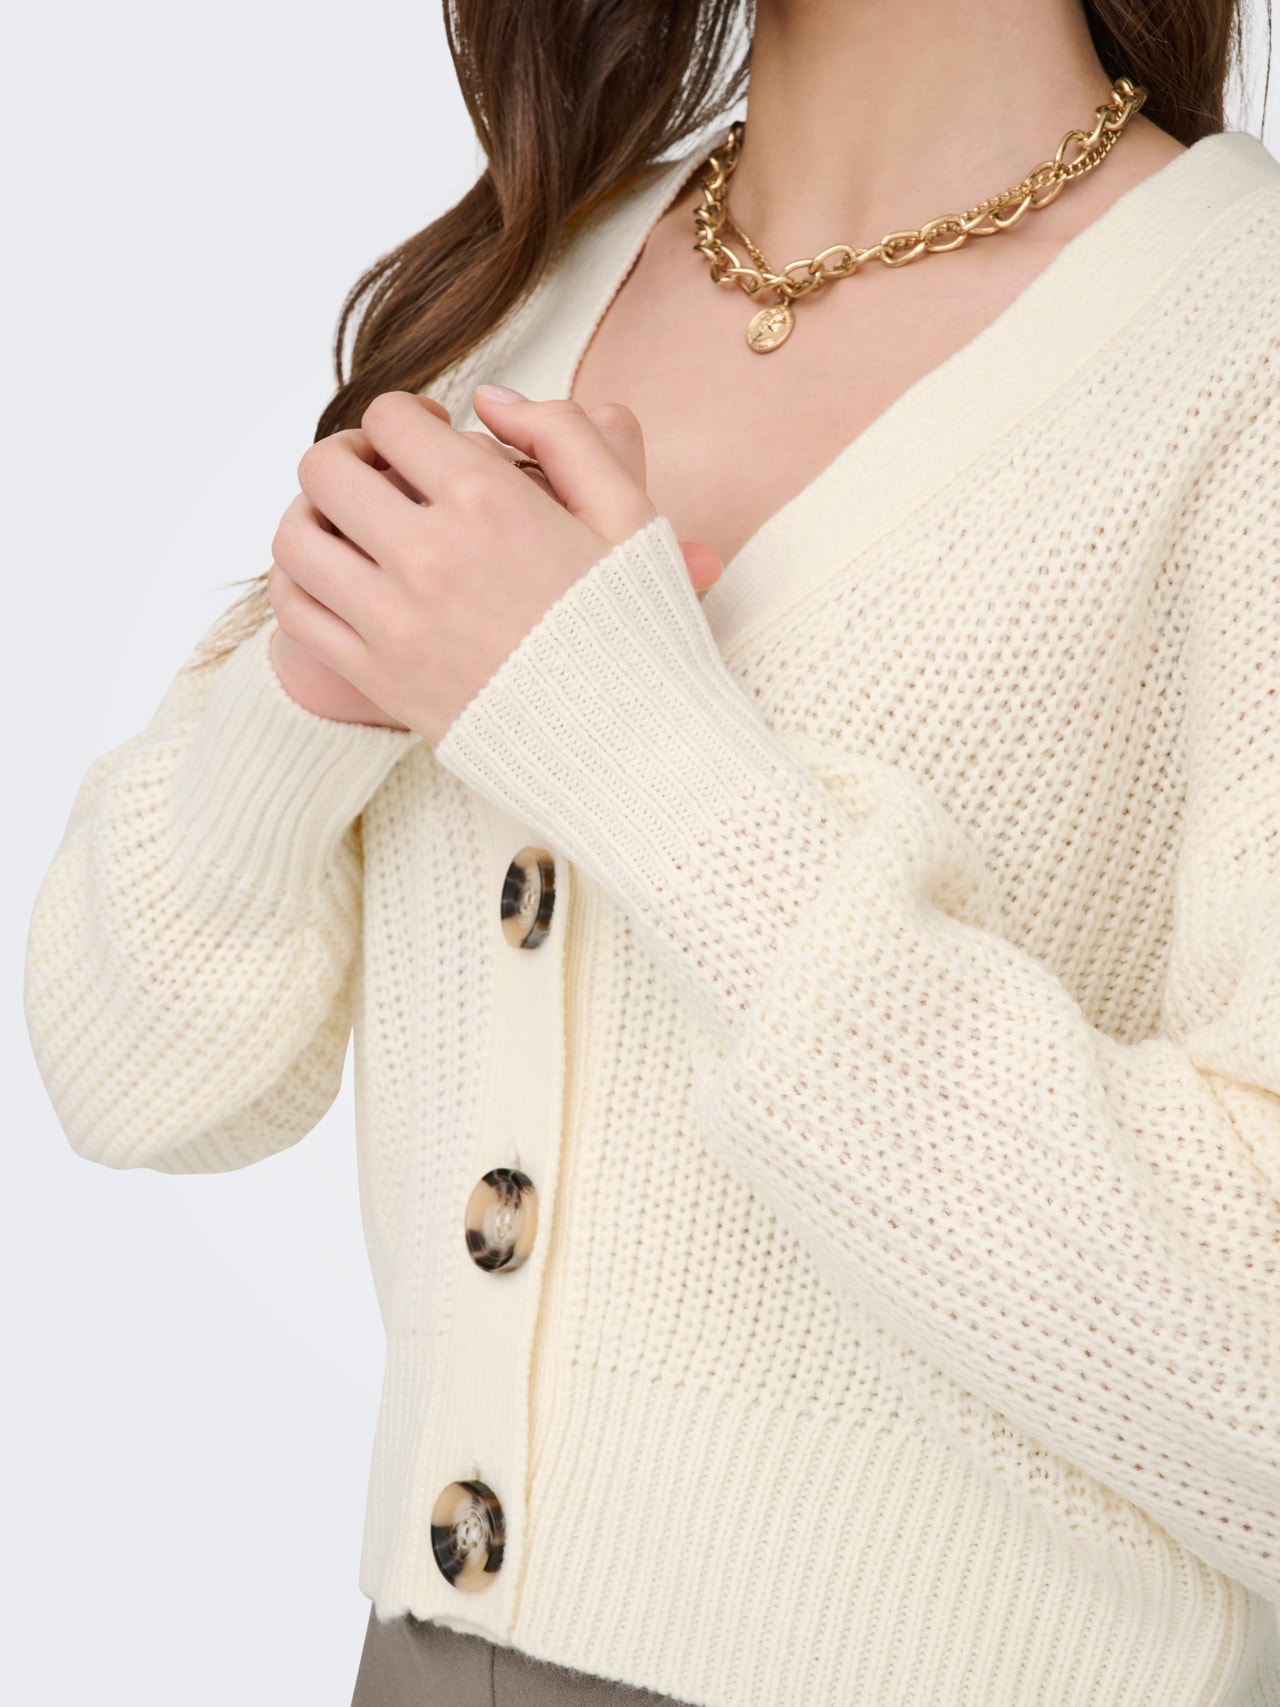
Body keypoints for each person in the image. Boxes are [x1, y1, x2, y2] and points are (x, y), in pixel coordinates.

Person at [23, 0, 1280, 1701]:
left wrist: (626, 746)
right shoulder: (518, 295)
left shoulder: (1242, 349)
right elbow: (132, 1076)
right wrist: (305, 704)